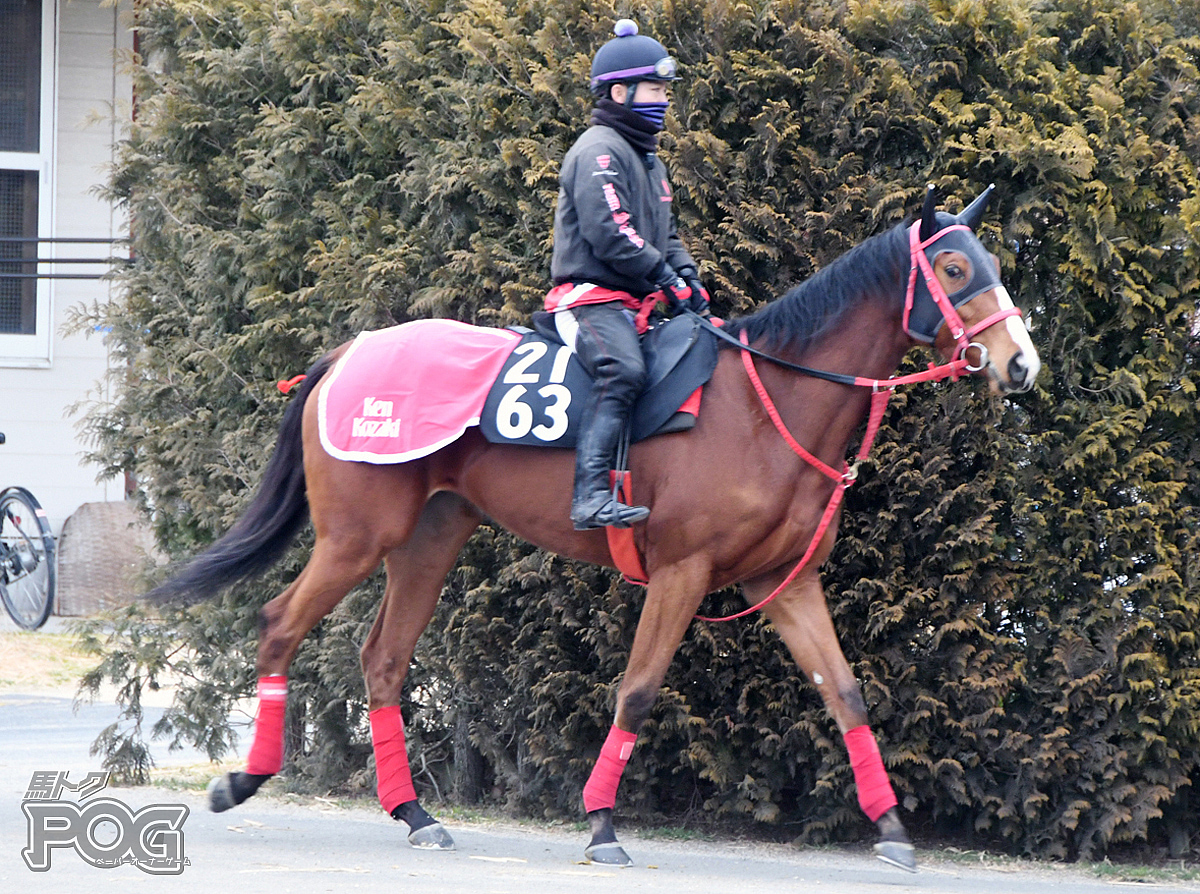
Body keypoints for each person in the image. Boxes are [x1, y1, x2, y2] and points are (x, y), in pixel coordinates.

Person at [546, 19, 710, 531]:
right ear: (620, 92)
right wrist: (663, 275)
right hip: (588, 301)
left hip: (630, 303)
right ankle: (591, 496)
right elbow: (611, 233)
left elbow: (665, 233)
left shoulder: (650, 162)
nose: (664, 100)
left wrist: (686, 275)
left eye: (665, 91)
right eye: (655, 89)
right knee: (624, 371)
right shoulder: (598, 150)